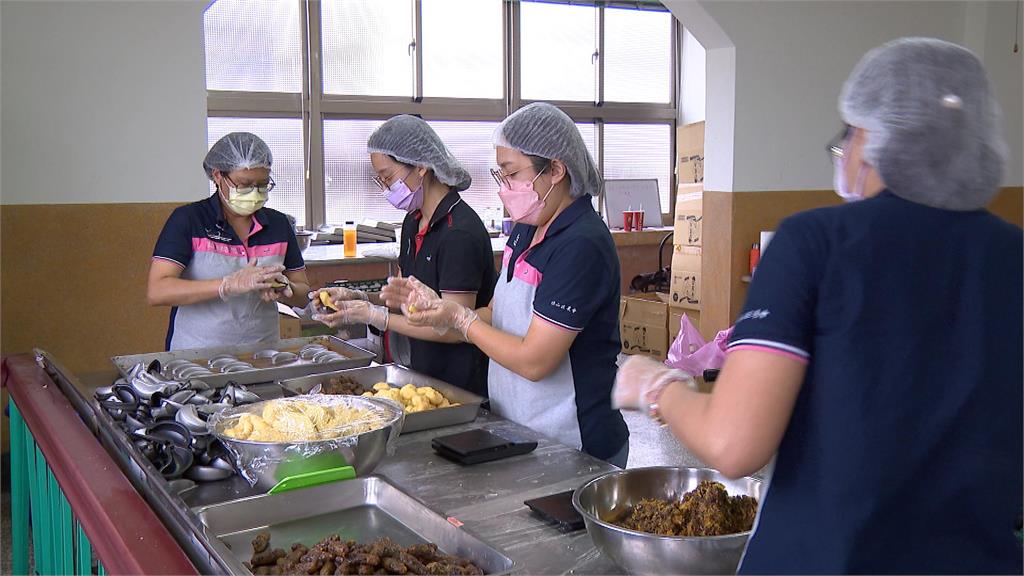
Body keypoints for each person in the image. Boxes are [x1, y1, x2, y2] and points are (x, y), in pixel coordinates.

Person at [611, 38, 1022, 573]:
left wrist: (655, 385)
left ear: (873, 137)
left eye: (847, 136)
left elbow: (733, 443)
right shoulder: (1014, 255)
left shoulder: (817, 243)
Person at [385, 103, 630, 467]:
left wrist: (463, 322)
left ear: (557, 169)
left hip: (575, 442)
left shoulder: (581, 243)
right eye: (501, 175)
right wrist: (442, 312)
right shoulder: (528, 227)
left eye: (512, 174)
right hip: (522, 426)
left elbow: (535, 361)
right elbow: (501, 310)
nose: (506, 189)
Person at [311, 115, 497, 397]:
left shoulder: (460, 233)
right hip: (421, 374)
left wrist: (378, 317)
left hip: (459, 384)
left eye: (388, 177)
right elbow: (404, 301)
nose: (387, 189)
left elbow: (453, 326)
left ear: (421, 166)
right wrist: (358, 299)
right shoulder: (414, 221)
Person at [148, 132, 311, 350]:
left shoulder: (279, 225)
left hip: (261, 355)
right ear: (218, 176)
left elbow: (303, 295)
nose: (254, 193)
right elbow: (158, 290)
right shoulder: (189, 220)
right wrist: (226, 285)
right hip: (196, 356)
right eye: (245, 185)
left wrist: (285, 288)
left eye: (262, 185)